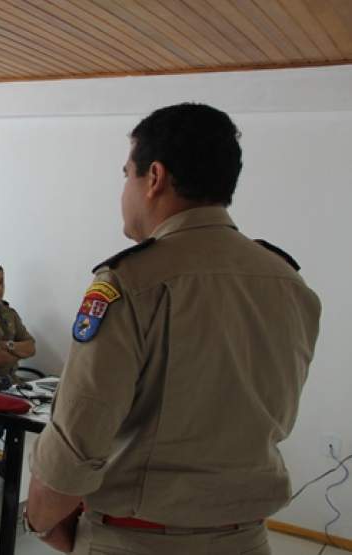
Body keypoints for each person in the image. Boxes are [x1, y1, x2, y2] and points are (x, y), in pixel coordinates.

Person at [24, 103, 321, 555]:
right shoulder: (288, 282)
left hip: (138, 539)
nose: (123, 190)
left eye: (127, 174)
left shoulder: (129, 282)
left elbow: (77, 443)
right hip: (248, 539)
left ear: (154, 178)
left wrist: (41, 522)